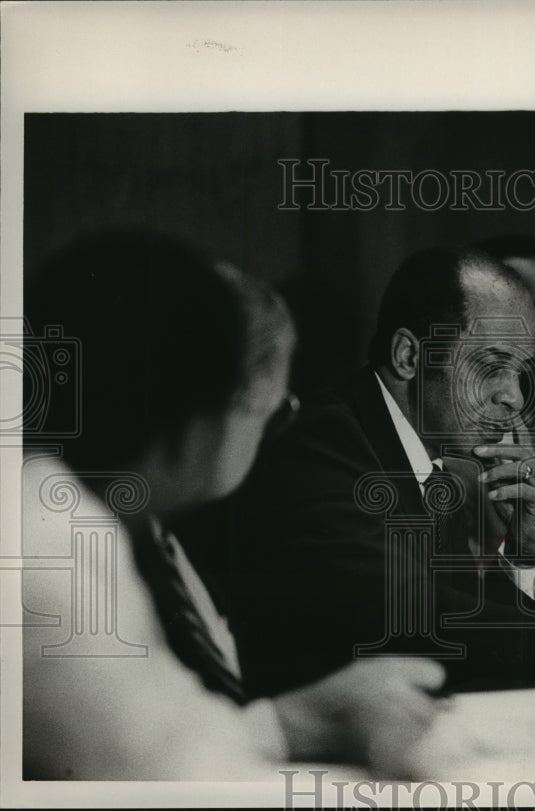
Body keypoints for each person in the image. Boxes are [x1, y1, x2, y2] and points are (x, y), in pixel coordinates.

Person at [20, 231, 443, 780]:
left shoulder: (59, 510)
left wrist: (285, 723)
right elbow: (175, 780)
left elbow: (156, 727)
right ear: (198, 413)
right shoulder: (50, 543)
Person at [210, 246, 535, 698]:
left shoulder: (435, 468)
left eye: (521, 371)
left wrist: (529, 547)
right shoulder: (324, 445)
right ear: (410, 356)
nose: (513, 396)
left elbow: (479, 628)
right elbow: (410, 611)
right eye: (492, 366)